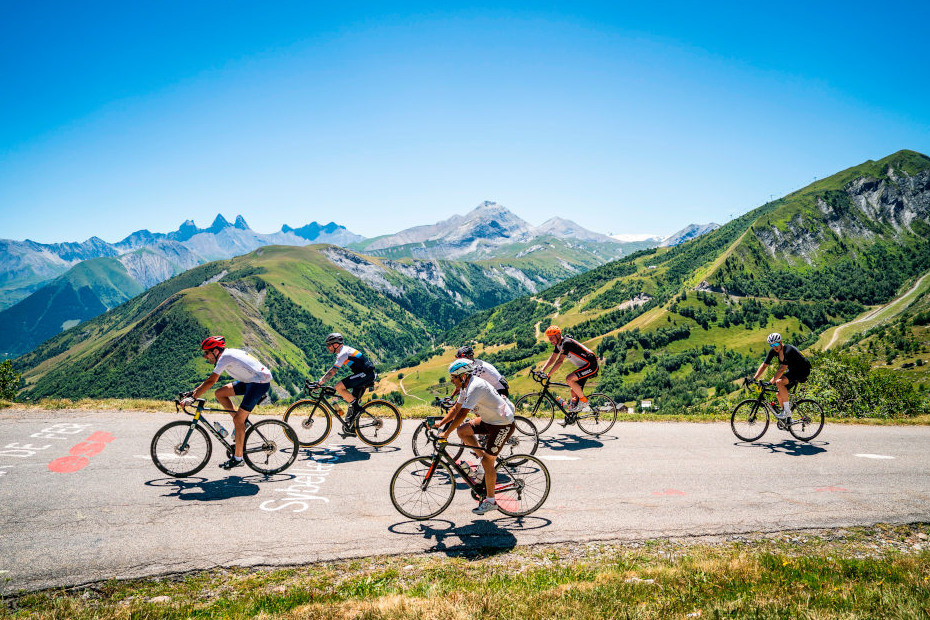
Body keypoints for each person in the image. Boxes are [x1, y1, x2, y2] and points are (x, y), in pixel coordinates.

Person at [432, 359, 516, 515]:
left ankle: (491, 501)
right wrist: (440, 424)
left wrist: (446, 433)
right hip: (489, 420)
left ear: (463, 376)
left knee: (487, 461)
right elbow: (456, 409)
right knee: (463, 431)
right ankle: (483, 466)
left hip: (502, 424)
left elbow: (463, 413)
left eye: (453, 377)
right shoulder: (465, 386)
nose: (451, 380)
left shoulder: (476, 386)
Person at [182, 336, 273, 470]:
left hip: (259, 383)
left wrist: (194, 397)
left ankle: (238, 458)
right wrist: (192, 393)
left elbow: (211, 381)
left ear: (215, 351)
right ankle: (243, 423)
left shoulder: (225, 357)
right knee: (220, 393)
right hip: (251, 380)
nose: (205, 357)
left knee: (238, 420)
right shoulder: (226, 354)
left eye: (206, 352)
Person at [317, 332, 376, 434]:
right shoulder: (344, 351)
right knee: (352, 403)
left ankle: (358, 409)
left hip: (366, 374)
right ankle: (351, 429)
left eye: (329, 345)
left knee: (339, 386)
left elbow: (333, 371)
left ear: (335, 345)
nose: (327, 347)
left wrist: (320, 382)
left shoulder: (343, 353)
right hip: (363, 374)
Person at [539, 325, 599, 413]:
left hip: (591, 364)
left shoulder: (566, 343)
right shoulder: (558, 345)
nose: (550, 340)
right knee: (573, 391)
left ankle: (584, 401)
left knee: (569, 379)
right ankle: (571, 415)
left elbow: (559, 361)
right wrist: (542, 370)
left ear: (558, 335)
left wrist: (549, 374)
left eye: (552, 337)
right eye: (549, 338)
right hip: (584, 366)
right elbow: (552, 358)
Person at [752, 332, 812, 420]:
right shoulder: (773, 351)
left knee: (779, 382)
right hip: (793, 371)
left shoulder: (788, 350)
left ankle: (786, 412)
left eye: (776, 344)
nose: (774, 347)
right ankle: (788, 419)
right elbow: (764, 365)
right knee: (779, 394)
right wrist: (754, 378)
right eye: (771, 345)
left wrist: (770, 382)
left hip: (802, 371)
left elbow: (782, 369)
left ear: (781, 342)